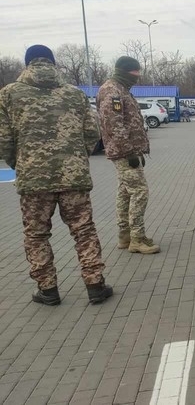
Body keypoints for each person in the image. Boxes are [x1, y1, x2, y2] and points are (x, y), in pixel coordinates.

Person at [0, 45, 113, 305]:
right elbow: (91, 131)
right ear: (52, 63)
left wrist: (21, 164)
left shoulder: (9, 95)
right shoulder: (73, 94)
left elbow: (4, 140)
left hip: (33, 179)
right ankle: (95, 285)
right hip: (72, 177)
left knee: (36, 234)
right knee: (83, 230)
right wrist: (76, 158)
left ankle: (48, 289)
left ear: (27, 63)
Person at [97, 56, 160, 254]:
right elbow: (114, 125)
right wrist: (129, 151)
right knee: (140, 192)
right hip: (124, 152)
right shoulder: (112, 91)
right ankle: (137, 238)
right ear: (125, 71)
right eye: (135, 72)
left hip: (127, 150)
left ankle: (125, 235)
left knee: (125, 192)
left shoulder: (121, 89)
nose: (138, 76)